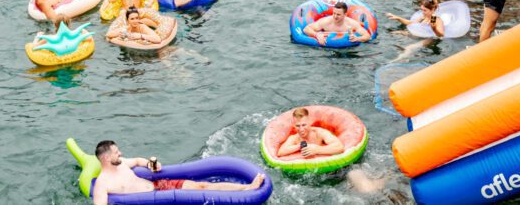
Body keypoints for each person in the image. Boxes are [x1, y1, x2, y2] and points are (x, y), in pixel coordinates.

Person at [92, 140, 263, 204]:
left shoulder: (121, 164)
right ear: (106, 158)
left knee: (201, 186)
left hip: (159, 185)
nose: (120, 153)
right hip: (151, 201)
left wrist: (152, 165)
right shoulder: (102, 183)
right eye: (116, 152)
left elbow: (137, 160)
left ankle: (245, 189)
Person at [276, 107, 345, 159]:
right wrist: (299, 146)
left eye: (304, 125)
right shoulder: (294, 138)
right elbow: (281, 152)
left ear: (309, 122)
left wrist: (317, 150)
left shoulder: (319, 133)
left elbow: (339, 147)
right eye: (298, 126)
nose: (301, 129)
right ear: (294, 125)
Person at [303, 2, 372, 45]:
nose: (335, 16)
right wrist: (317, 35)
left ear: (345, 15)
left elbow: (367, 35)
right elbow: (306, 29)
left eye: (338, 14)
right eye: (334, 13)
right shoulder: (325, 22)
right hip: (327, 49)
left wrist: (357, 39)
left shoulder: (352, 24)